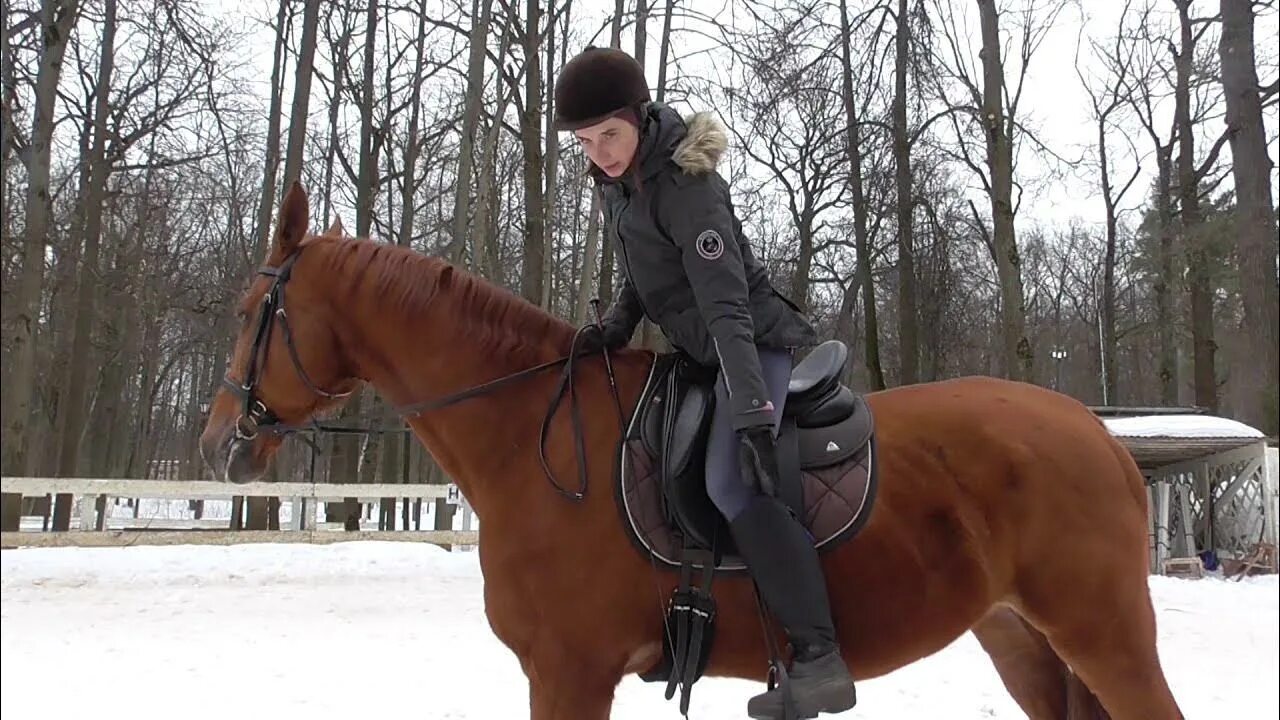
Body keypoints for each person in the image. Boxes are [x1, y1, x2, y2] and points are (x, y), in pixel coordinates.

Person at [552, 46, 857, 719]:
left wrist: (751, 409)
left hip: (752, 346)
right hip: (700, 354)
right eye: (586, 140)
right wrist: (617, 323)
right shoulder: (624, 184)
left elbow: (727, 306)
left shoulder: (688, 186)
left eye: (610, 134)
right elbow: (646, 269)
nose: (600, 152)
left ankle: (819, 657)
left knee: (728, 481)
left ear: (639, 117)